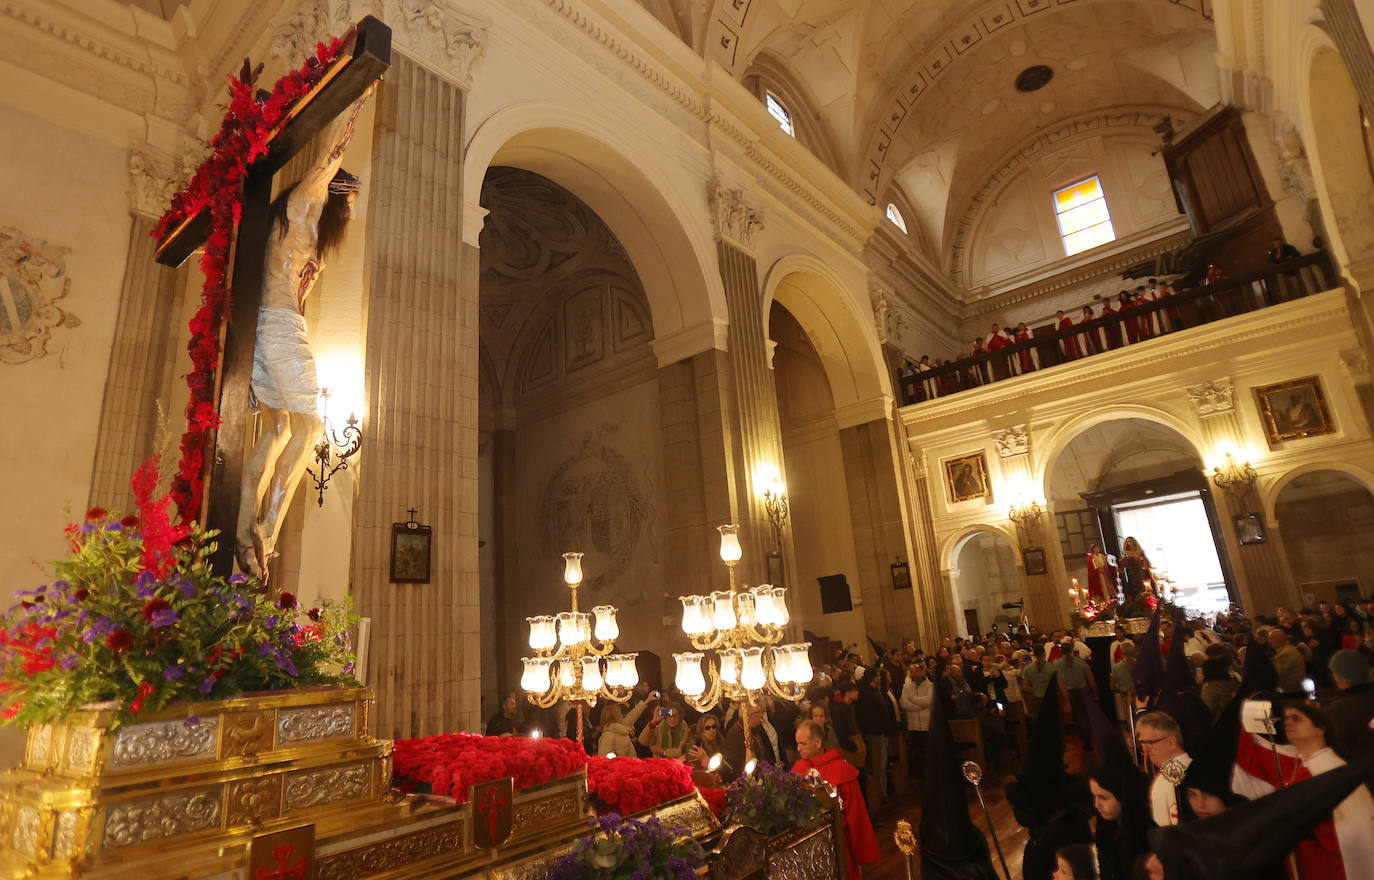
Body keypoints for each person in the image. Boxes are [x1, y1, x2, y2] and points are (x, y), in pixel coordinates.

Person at [236, 88, 374, 580]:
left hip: (265, 327)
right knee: (312, 428)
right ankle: (267, 533)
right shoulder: (301, 210)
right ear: (337, 193)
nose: (351, 214)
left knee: (278, 430)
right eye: (351, 200)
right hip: (277, 326)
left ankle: (242, 525)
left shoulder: (301, 230)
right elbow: (328, 157)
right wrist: (357, 91)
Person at [1233, 702, 1374, 879]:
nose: (1288, 722)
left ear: (1320, 729)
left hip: (1329, 867)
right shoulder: (1294, 766)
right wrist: (1254, 703)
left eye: (1296, 718)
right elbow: (1250, 758)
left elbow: (1353, 828)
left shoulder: (1332, 772)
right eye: (1286, 719)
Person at [793, 719, 881, 878]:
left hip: (839, 841)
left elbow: (856, 813)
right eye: (797, 743)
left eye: (803, 743)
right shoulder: (799, 768)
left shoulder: (841, 769)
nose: (798, 748)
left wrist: (859, 851)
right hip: (808, 844)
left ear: (818, 742)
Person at [1136, 710, 1192, 827]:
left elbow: (1163, 837)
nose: (1145, 749)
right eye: (1142, 743)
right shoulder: (1199, 769)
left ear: (1171, 742)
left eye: (1149, 743)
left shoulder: (1166, 781)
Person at [1326, 649, 1374, 757]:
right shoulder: (1369, 697)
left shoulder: (1338, 709)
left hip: (1353, 767)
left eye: (1333, 673)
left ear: (1341, 679)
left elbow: (1331, 742)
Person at [1053, 638, 1096, 749]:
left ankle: (1082, 736)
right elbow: (1091, 680)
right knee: (1084, 715)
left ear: (1061, 651)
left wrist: (1067, 700)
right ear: (1072, 649)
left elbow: (1060, 682)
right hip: (1082, 690)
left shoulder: (1057, 663)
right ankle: (1087, 737)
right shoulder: (1080, 662)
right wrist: (1095, 693)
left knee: (1075, 716)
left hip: (1068, 692)